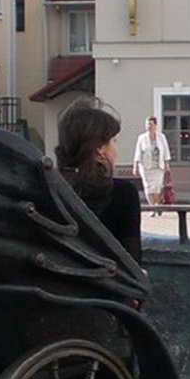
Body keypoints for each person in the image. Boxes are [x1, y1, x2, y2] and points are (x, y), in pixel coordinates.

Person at [56, 97, 142, 263]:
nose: (116, 150)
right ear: (100, 149)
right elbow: (132, 262)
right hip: (104, 287)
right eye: (113, 141)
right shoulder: (123, 193)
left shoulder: (50, 188)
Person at [132, 116, 171, 215]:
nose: (148, 126)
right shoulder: (142, 138)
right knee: (148, 187)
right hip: (146, 167)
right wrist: (135, 166)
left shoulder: (161, 137)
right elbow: (138, 152)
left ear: (155, 125)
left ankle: (158, 205)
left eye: (151, 124)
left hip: (158, 166)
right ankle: (152, 208)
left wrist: (167, 164)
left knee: (157, 187)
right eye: (147, 124)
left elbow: (166, 151)